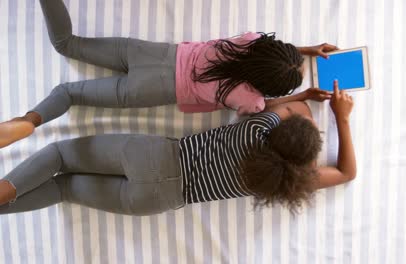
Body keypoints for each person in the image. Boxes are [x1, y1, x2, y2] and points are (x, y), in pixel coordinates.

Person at [0, 0, 336, 148]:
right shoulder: (251, 98)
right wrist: (303, 96)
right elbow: (264, 107)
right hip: (153, 89)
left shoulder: (248, 43)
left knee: (67, 43)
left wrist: (306, 50)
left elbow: (269, 50)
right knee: (69, 93)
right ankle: (29, 121)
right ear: (268, 87)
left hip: (152, 53)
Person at [0, 80, 355, 215]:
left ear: (283, 130)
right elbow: (345, 172)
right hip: (158, 200)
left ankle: (4, 190)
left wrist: (316, 104)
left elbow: (292, 109)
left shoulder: (259, 127)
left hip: (156, 158)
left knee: (61, 155)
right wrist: (343, 122)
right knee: (63, 188)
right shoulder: (281, 183)